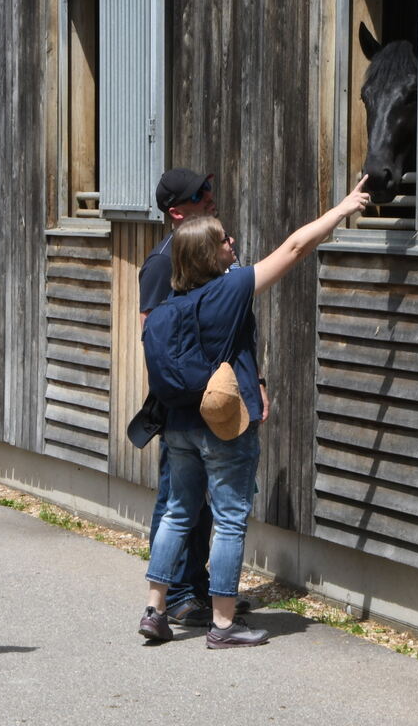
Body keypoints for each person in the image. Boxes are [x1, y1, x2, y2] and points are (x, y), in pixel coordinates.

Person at [138, 175, 371, 648]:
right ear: (209, 255)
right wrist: (342, 208)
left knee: (178, 514)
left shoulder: (167, 309)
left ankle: (154, 609)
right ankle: (223, 624)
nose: (233, 243)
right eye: (224, 240)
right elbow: (295, 248)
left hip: (178, 426)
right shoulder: (228, 291)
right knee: (228, 519)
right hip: (222, 428)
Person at [138, 168, 264, 628]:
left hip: (209, 401)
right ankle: (184, 596)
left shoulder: (210, 263)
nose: (211, 197)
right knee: (179, 503)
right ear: (177, 211)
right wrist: (202, 385)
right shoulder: (162, 263)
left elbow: (237, 337)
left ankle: (176, 597)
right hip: (191, 407)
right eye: (199, 195)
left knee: (188, 507)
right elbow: (154, 334)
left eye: (209, 188)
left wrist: (255, 383)